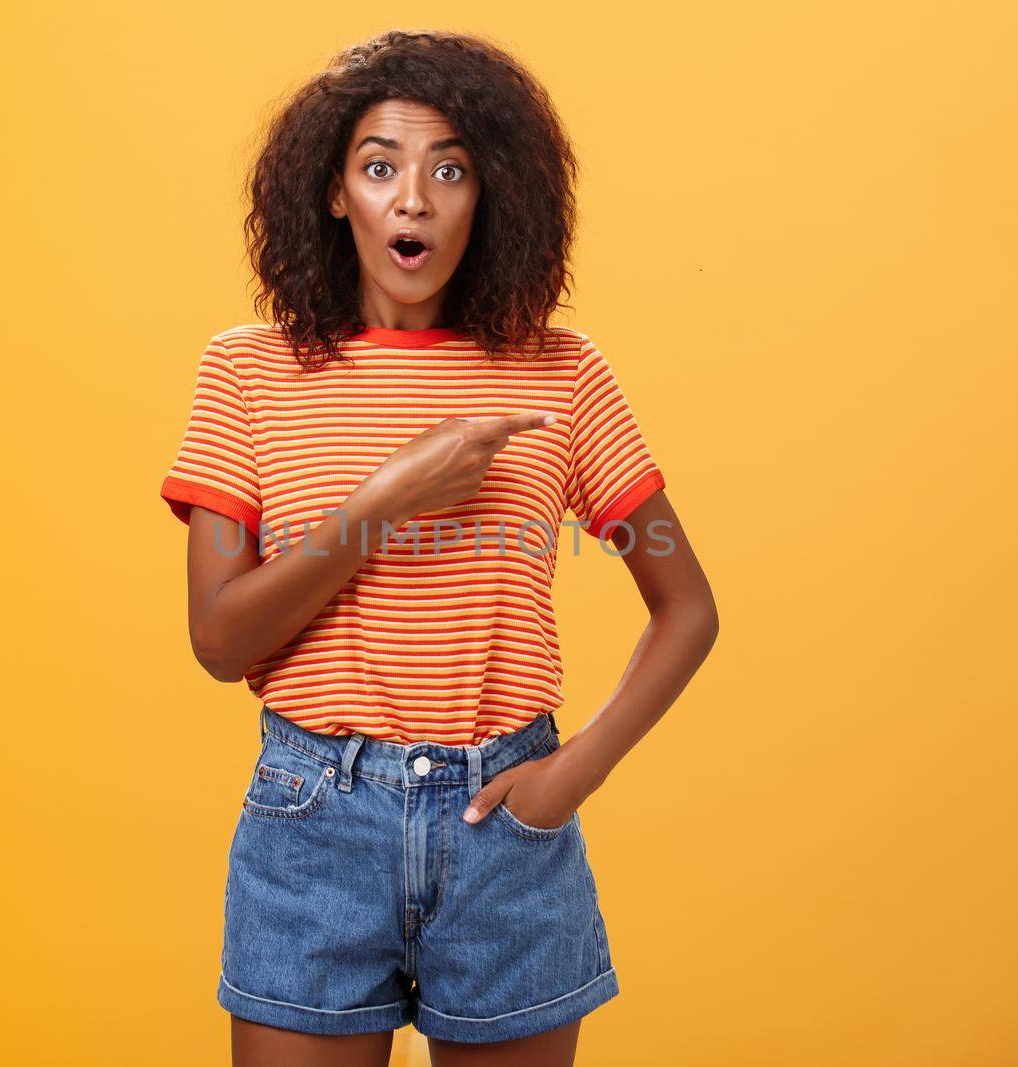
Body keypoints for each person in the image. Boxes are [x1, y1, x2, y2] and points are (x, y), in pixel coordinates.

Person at [158, 29, 719, 1067]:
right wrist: (385, 500)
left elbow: (687, 605)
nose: (412, 198)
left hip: (505, 826)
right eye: (380, 167)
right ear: (335, 194)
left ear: (489, 193)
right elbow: (220, 640)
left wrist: (570, 774)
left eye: (448, 169)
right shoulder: (248, 373)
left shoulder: (561, 373)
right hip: (312, 819)